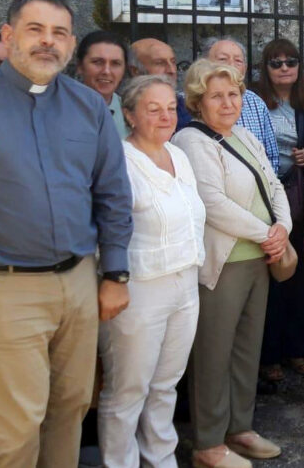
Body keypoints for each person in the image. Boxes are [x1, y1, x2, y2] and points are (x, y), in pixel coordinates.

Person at [0, 0, 132, 468]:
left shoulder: (88, 106)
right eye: (35, 30)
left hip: (78, 284)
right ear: (9, 37)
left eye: (59, 33)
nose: (48, 42)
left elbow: (112, 193)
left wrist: (115, 274)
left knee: (71, 407)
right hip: (4, 288)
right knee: (14, 424)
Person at [172, 59, 291, 468]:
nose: (227, 103)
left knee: (246, 350)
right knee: (213, 353)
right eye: (217, 96)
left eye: (233, 94)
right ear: (197, 101)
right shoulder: (191, 141)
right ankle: (207, 443)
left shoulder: (244, 135)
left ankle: (240, 427)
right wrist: (268, 232)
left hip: (259, 258)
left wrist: (283, 227)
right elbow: (212, 202)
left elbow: (273, 183)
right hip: (225, 264)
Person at [97, 75, 205, 467]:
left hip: (185, 283)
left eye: (170, 108)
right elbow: (107, 227)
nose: (164, 116)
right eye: (152, 109)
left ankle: (161, 459)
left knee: (165, 385)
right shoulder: (119, 163)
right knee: (127, 391)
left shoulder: (179, 155)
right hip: (139, 289)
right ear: (129, 115)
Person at [252, 39, 304, 383]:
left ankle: (297, 349)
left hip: (299, 201)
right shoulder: (253, 103)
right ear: (265, 68)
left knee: (301, 276)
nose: (284, 68)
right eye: (276, 63)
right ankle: (268, 354)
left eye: (290, 61)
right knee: (271, 279)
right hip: (264, 200)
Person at [205, 37, 280, 173]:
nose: (231, 65)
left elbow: (272, 157)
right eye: (223, 59)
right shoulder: (193, 101)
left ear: (245, 68)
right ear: (205, 64)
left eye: (238, 61)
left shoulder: (256, 103)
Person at [77, 30, 131, 138]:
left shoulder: (132, 114)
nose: (106, 71)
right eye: (97, 62)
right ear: (80, 66)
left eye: (115, 63)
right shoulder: (58, 111)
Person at [131, 37, 192, 129]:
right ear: (136, 71)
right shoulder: (123, 110)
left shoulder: (186, 106)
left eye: (173, 62)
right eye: (160, 63)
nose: (172, 70)